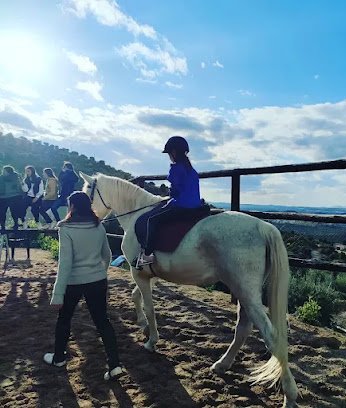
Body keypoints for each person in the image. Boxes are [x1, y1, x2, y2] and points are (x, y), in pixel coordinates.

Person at [43, 191, 123, 380]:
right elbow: (107, 255)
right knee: (103, 322)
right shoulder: (98, 226)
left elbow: (65, 263)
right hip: (97, 280)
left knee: (64, 319)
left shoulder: (65, 228)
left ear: (72, 207)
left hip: (73, 282)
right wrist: (100, 273)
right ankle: (115, 365)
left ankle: (59, 358)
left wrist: (57, 294)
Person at [137, 136, 202, 265]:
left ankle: (147, 255)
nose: (169, 157)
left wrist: (170, 196)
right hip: (196, 206)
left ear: (174, 152)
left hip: (182, 206)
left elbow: (175, 192)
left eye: (169, 154)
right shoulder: (191, 170)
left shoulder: (176, 168)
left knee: (152, 220)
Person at [0, 166, 24, 232]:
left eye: (4, 171)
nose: (3, 172)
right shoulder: (16, 177)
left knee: (8, 212)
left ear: (8, 171)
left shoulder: (15, 177)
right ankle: (10, 225)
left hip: (9, 197)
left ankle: (6, 226)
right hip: (8, 197)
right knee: (8, 212)